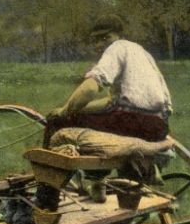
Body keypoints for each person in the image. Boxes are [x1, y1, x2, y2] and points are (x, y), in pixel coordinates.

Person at [37, 14, 174, 208]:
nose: (100, 44)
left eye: (105, 37)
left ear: (118, 36)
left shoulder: (116, 49)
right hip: (157, 125)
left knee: (56, 123)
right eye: (95, 40)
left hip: (131, 122)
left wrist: (65, 111)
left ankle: (46, 198)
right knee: (83, 118)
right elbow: (112, 101)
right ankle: (99, 184)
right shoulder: (141, 52)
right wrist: (76, 111)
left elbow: (92, 86)